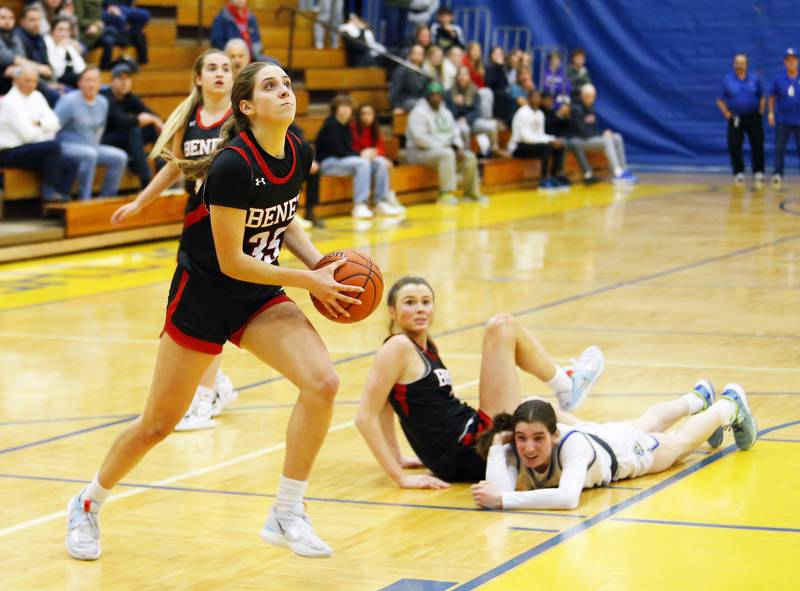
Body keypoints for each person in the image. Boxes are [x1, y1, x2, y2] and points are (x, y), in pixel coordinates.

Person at [65, 61, 363, 562]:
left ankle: (287, 511)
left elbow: (283, 222)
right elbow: (233, 260)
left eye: (288, 83)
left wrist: (323, 267)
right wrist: (308, 279)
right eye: (272, 86)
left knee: (324, 384)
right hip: (204, 295)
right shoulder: (232, 164)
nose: (285, 91)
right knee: (157, 426)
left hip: (258, 296)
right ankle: (88, 502)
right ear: (247, 107)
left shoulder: (299, 151)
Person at [355, 276, 605, 488]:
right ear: (392, 312)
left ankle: (603, 434)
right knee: (502, 326)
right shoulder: (398, 346)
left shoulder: (424, 347)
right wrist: (399, 477)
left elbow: (388, 405)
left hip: (464, 444)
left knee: (533, 405)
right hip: (466, 449)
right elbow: (366, 416)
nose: (420, 308)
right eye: (409, 302)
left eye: (426, 302)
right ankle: (566, 385)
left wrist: (397, 456)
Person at [110, 50, 239, 430]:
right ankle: (217, 385)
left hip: (233, 224)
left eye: (226, 68)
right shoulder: (190, 120)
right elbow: (173, 167)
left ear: (233, 78)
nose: (219, 73)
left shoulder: (239, 119)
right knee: (201, 308)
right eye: (212, 68)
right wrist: (138, 203)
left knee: (210, 310)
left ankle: (205, 395)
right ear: (198, 78)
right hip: (199, 225)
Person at [471, 379, 757, 510]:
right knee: (648, 422)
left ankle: (728, 406)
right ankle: (695, 400)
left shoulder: (572, 446)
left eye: (538, 438)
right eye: (521, 438)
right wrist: (498, 444)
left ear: (554, 435)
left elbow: (567, 498)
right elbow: (497, 489)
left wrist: (503, 501)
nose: (529, 448)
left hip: (624, 453)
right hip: (598, 435)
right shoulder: (516, 444)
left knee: (678, 444)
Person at [315, 94, 401, 219]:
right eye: (342, 107)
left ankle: (381, 201)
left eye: (348, 107)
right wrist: (361, 154)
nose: (345, 110)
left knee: (380, 162)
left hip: (342, 161)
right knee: (363, 163)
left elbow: (348, 151)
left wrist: (366, 154)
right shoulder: (331, 125)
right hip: (328, 163)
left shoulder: (345, 125)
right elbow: (339, 152)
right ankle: (360, 205)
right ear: (335, 109)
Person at [0, 64, 75, 202]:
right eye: (27, 80)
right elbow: (28, 136)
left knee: (70, 162)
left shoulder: (37, 96)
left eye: (34, 81)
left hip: (32, 148)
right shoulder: (10, 102)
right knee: (52, 147)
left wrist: (39, 123)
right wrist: (46, 129)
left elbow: (56, 123)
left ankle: (60, 199)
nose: (31, 85)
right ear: (16, 81)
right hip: (9, 152)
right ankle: (49, 194)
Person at [405, 81, 487, 204]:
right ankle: (445, 194)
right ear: (427, 96)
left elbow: (455, 133)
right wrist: (445, 146)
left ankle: (472, 193)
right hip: (418, 152)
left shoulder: (446, 112)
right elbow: (419, 138)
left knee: (469, 156)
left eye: (438, 95)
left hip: (442, 151)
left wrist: (457, 147)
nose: (435, 98)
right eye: (432, 95)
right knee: (447, 154)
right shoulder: (418, 113)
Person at [55, 67, 128, 199]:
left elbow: (100, 128)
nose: (91, 84)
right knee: (90, 155)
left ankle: (105, 199)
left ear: (100, 84)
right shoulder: (69, 101)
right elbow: (54, 126)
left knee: (120, 157)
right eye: (87, 80)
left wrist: (95, 144)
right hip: (66, 146)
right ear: (80, 83)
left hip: (91, 146)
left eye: (94, 81)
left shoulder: (103, 102)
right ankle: (85, 199)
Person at [101, 62, 162, 189]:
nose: (124, 82)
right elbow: (119, 120)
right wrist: (140, 119)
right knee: (133, 129)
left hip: (126, 139)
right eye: (120, 78)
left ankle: (162, 171)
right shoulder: (106, 97)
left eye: (127, 79)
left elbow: (152, 114)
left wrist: (154, 120)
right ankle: (145, 180)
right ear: (112, 81)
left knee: (152, 130)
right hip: (106, 140)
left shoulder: (129, 97)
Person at [568, 84, 637, 185]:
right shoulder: (576, 109)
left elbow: (593, 128)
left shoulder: (590, 108)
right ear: (582, 96)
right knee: (607, 141)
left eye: (592, 97)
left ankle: (623, 169)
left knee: (617, 137)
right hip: (580, 140)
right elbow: (583, 132)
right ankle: (617, 174)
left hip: (590, 137)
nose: (590, 99)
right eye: (588, 96)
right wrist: (602, 134)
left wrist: (603, 133)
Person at [716, 53, 765, 187]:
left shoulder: (754, 79)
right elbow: (719, 100)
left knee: (757, 144)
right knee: (734, 145)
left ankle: (758, 172)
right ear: (734, 64)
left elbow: (761, 96)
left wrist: (761, 110)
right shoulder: (727, 80)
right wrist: (726, 112)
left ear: (747, 65)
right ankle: (739, 173)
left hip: (753, 117)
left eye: (742, 63)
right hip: (736, 117)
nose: (740, 65)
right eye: (737, 63)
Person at [351, 102, 405, 213]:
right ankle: (362, 203)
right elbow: (351, 148)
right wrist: (365, 153)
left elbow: (380, 149)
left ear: (374, 115)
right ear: (358, 115)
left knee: (384, 162)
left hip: (372, 159)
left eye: (369, 114)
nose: (366, 117)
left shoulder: (376, 129)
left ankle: (382, 201)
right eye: (363, 114)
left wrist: (374, 152)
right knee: (376, 162)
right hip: (358, 159)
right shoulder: (352, 128)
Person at [508, 90, 564, 191]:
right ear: (529, 99)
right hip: (518, 147)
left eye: (538, 98)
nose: (536, 100)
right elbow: (526, 137)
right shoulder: (522, 113)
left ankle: (554, 176)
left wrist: (553, 139)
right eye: (534, 97)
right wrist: (548, 141)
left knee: (559, 145)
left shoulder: (540, 114)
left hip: (533, 145)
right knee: (546, 147)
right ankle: (543, 180)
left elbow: (540, 135)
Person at [445, 65, 501, 157]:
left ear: (469, 77)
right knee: (464, 129)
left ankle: (493, 152)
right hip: (456, 122)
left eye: (465, 75)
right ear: (457, 77)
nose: (462, 77)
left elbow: (477, 111)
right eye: (460, 75)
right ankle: (466, 156)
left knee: (492, 126)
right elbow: (448, 113)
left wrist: (467, 118)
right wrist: (457, 105)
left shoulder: (474, 91)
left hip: (472, 121)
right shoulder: (449, 93)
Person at [768, 47, 800, 190]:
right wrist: (771, 113)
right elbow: (772, 96)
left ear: (797, 61)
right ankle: (777, 173)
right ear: (784, 62)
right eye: (788, 60)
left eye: (793, 60)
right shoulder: (779, 79)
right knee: (779, 147)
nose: (791, 62)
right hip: (783, 120)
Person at [101, 0, 150, 66]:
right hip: (105, 8)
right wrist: (111, 7)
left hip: (124, 8)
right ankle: (124, 42)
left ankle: (131, 35)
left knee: (145, 14)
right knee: (121, 18)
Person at [73, 0, 117, 70]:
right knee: (111, 31)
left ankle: (105, 68)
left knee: (110, 38)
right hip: (85, 31)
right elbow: (78, 20)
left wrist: (98, 23)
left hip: (97, 29)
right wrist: (94, 24)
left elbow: (98, 16)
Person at [45, 16, 87, 87]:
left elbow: (81, 68)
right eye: (61, 29)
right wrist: (61, 49)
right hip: (56, 80)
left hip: (73, 80)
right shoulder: (46, 44)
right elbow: (57, 72)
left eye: (67, 30)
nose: (64, 33)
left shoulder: (68, 45)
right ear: (52, 31)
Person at [389, 44, 429, 113]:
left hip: (421, 100)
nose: (417, 56)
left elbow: (426, 92)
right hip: (405, 100)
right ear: (410, 55)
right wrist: (397, 106)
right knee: (421, 105)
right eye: (415, 53)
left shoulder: (424, 72)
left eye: (420, 54)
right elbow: (395, 91)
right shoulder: (402, 71)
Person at [463, 41, 493, 121]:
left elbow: (481, 84)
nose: (477, 52)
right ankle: (485, 119)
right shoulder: (464, 61)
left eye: (479, 50)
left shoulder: (480, 66)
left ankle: (485, 119)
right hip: (466, 89)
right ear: (469, 51)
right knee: (486, 93)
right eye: (474, 50)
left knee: (486, 93)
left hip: (476, 90)